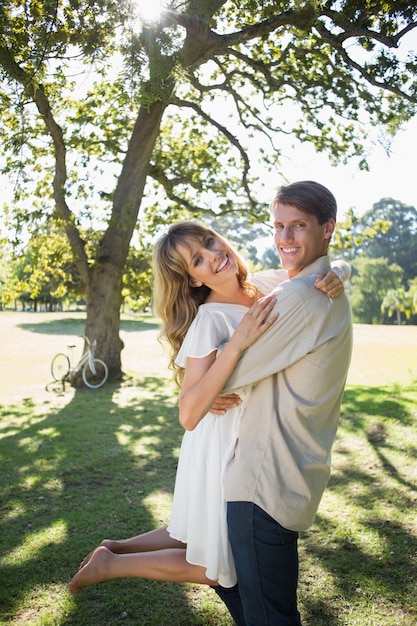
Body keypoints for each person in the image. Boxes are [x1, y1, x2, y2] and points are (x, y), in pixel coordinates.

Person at [68, 217, 349, 599]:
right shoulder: (210, 318)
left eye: (210, 242)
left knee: (194, 531)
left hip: (244, 434)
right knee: (214, 565)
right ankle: (112, 565)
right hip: (218, 442)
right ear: (193, 280)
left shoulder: (262, 286)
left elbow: (307, 275)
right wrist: (235, 346)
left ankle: (115, 547)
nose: (214, 256)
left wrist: (339, 272)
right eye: (198, 260)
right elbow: (188, 412)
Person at [211, 180, 353, 626]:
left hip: (265, 483)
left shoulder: (302, 297)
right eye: (278, 226)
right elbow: (264, 281)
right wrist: (343, 267)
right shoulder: (311, 285)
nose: (284, 239)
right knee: (258, 605)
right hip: (284, 479)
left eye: (298, 226)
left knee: (268, 617)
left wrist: (199, 367)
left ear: (327, 228)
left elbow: (226, 376)